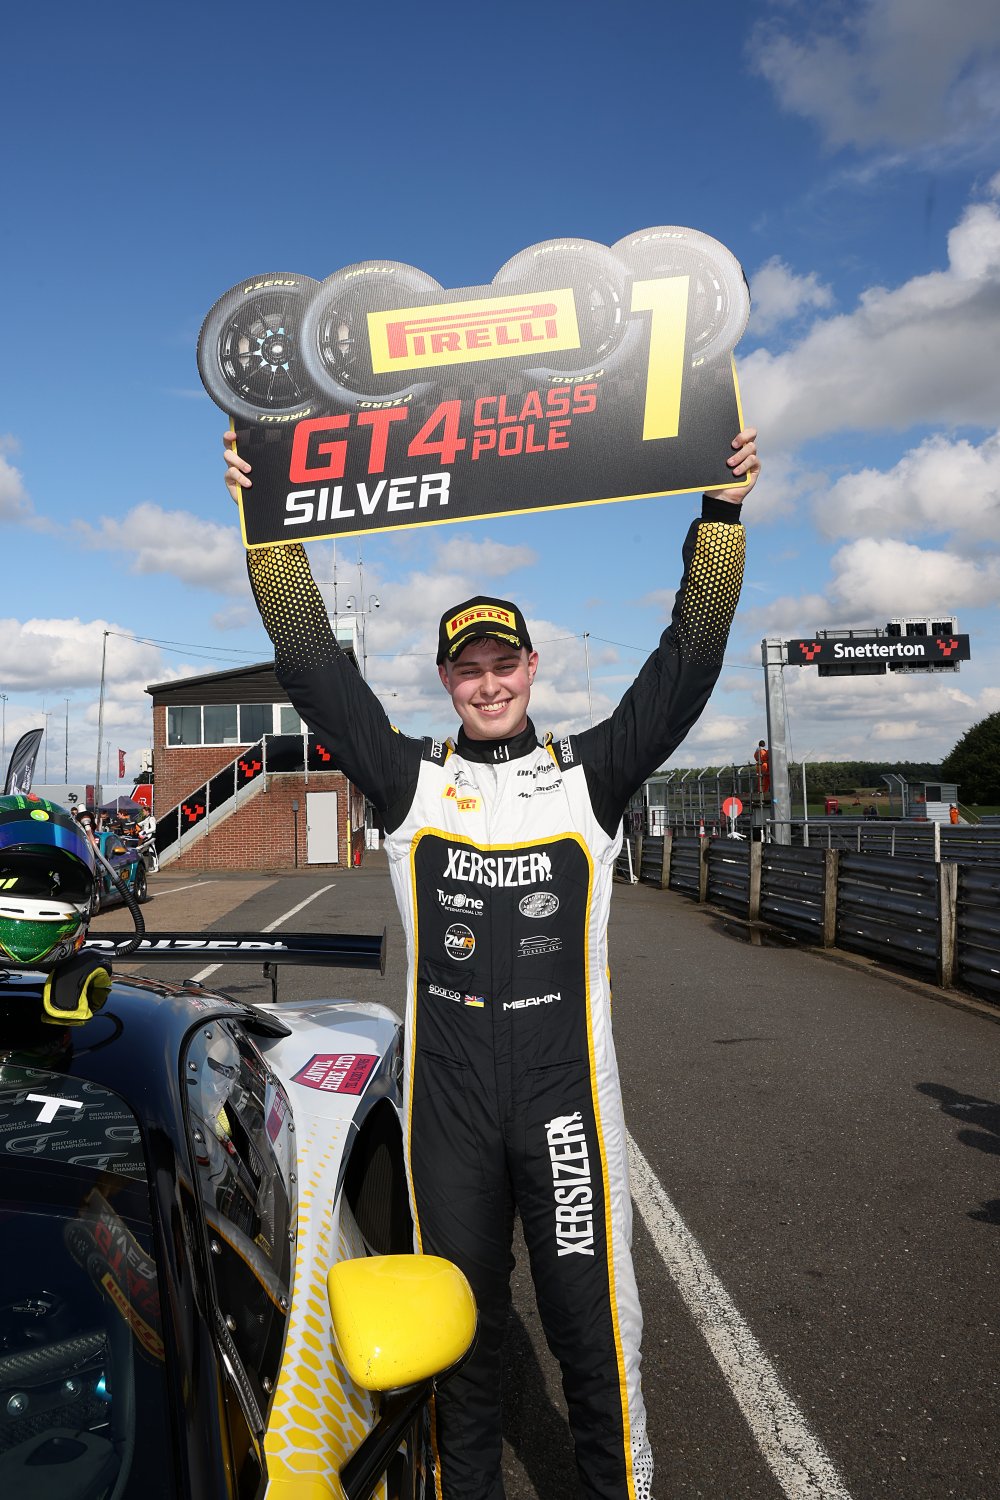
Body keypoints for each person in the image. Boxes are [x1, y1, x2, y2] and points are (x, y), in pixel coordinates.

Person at [225, 424, 759, 1500]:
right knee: (458, 1347)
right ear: (444, 679)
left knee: (593, 1342)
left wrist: (720, 521)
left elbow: (687, 665)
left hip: (568, 1109)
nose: (487, 684)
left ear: (530, 667)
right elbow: (315, 670)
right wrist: (268, 530)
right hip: (451, 1111)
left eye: (502, 664)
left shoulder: (590, 777)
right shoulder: (411, 785)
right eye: (467, 669)